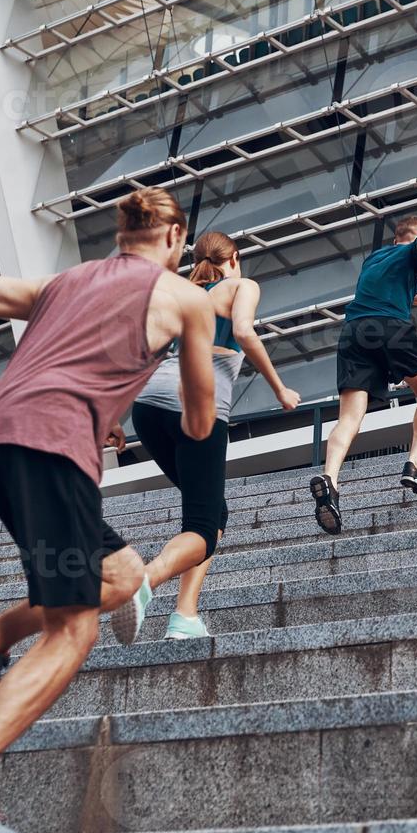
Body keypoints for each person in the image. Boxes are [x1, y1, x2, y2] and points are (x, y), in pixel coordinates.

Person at [0, 187, 217, 833]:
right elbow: (200, 420)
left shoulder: (65, 281)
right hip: (52, 448)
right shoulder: (187, 299)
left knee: (124, 577)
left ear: (123, 235)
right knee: (74, 633)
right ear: (176, 240)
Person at [122, 231, 302, 642]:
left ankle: (185, 616)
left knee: (210, 515)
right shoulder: (242, 285)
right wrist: (279, 388)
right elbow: (242, 331)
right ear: (235, 258)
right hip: (196, 405)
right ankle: (143, 582)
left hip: (148, 408)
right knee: (202, 525)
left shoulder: (181, 294)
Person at [309, 215, 417, 534]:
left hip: (354, 332)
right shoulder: (414, 248)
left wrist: (415, 297)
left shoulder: (374, 259)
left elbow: (382, 294)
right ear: (411, 239)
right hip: (391, 328)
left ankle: (330, 480)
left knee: (350, 417)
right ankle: (415, 463)